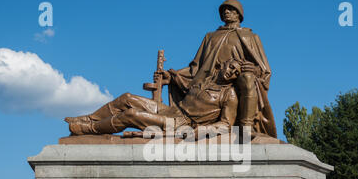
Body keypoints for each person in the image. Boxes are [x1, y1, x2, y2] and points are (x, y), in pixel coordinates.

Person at [165, 0, 277, 138]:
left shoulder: (250, 37)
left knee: (248, 78)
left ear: (239, 14)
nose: (226, 12)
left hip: (237, 76)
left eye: (230, 9)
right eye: (224, 10)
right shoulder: (210, 37)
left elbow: (264, 69)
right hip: (212, 79)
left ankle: (246, 127)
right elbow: (196, 67)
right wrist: (172, 76)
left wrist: (254, 70)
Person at [64, 59, 241, 136]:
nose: (231, 72)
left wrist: (200, 131)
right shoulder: (206, 79)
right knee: (126, 98)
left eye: (236, 72)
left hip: (181, 122)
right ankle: (88, 117)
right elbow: (186, 87)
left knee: (132, 114)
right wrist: (168, 77)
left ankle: (90, 128)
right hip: (171, 110)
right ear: (223, 64)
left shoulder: (229, 95)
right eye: (231, 66)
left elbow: (226, 124)